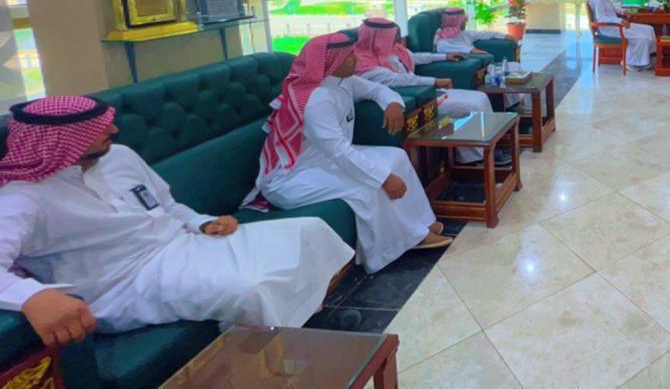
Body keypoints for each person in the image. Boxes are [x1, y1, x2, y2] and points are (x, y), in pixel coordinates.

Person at [0, 96, 354, 342]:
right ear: (61, 140)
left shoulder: (119, 157)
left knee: (309, 230)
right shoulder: (23, 198)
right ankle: (268, 364)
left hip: (183, 244)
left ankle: (305, 321)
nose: (113, 131)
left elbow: (166, 205)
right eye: (98, 127)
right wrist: (32, 297)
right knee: (249, 291)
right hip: (123, 285)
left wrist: (202, 222)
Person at [246, 33, 451, 274]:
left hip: (325, 160)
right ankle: (399, 244)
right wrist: (384, 178)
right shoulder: (316, 99)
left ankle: (421, 223)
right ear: (331, 61)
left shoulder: (341, 81)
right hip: (292, 176)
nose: (356, 58)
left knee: (396, 157)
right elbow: (339, 151)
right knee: (369, 186)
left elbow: (377, 89)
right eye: (349, 55)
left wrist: (393, 104)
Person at [355, 18, 509, 167]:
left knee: (480, 97)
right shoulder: (364, 64)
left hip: (427, 91)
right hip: (418, 99)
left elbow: (415, 57)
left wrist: (445, 56)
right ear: (377, 38)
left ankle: (491, 146)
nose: (394, 40)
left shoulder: (393, 50)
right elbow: (396, 79)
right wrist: (434, 81)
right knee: (470, 107)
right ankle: (476, 158)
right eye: (389, 37)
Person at [588, 0, 656, 69]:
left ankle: (647, 57)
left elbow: (612, 8)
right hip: (609, 28)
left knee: (649, 29)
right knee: (642, 37)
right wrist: (620, 21)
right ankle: (631, 63)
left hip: (615, 24)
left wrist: (623, 12)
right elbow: (601, 18)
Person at [433, 7, 514, 56]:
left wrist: (504, 36)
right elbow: (443, 48)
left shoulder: (464, 33)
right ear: (456, 21)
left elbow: (483, 34)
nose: (466, 21)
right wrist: (471, 50)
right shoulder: (444, 39)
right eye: (463, 19)